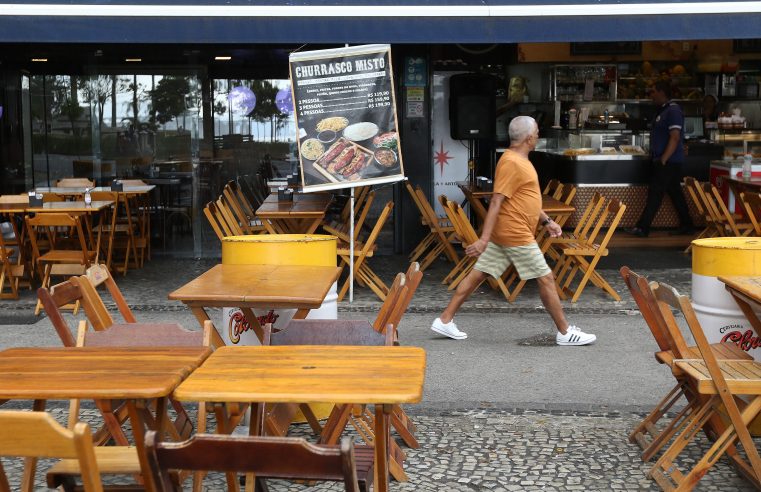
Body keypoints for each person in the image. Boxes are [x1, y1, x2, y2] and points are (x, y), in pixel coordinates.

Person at [430, 116, 597, 346]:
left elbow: (524, 198)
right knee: (546, 277)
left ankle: (445, 319)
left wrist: (547, 221)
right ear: (529, 138)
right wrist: (483, 240)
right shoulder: (511, 162)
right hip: (515, 233)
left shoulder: (518, 159)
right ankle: (565, 332)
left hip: (508, 232)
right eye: (537, 132)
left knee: (479, 273)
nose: (538, 135)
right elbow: (496, 201)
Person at [626, 80, 694, 238]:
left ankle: (643, 228)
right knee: (675, 193)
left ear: (662, 92)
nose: (651, 95)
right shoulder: (663, 110)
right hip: (666, 160)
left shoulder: (673, 111)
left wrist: (663, 159)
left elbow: (675, 137)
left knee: (655, 193)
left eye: (653, 91)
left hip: (669, 161)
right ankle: (687, 225)